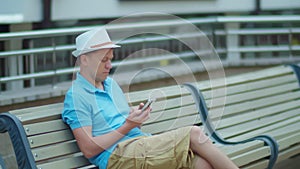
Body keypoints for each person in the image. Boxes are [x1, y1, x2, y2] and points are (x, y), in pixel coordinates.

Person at [62, 27, 239, 169]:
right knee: (195, 134)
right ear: (84, 60)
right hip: (117, 157)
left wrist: (135, 118)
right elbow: (88, 149)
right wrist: (127, 125)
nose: (109, 65)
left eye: (111, 59)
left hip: (140, 144)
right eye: (103, 60)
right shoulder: (77, 97)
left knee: (202, 165)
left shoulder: (110, 84)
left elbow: (124, 123)